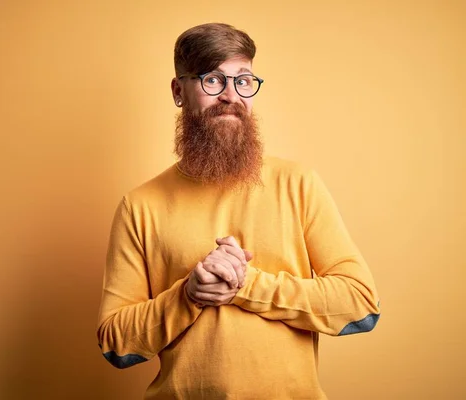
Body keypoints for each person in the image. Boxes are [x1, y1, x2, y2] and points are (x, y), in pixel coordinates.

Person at [96, 22, 380, 399]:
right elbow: (116, 344)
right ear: (179, 91)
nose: (231, 95)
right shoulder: (140, 205)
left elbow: (360, 305)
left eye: (243, 81)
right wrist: (190, 295)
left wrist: (245, 285)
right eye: (212, 80)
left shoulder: (298, 184)